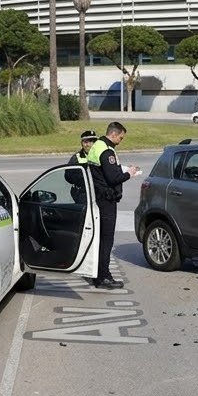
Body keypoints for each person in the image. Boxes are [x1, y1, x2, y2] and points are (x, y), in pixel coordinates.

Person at [85, 122, 139, 289]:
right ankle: (104, 277)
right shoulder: (107, 151)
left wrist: (120, 169)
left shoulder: (97, 146)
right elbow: (113, 178)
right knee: (106, 239)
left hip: (98, 197)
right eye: (121, 137)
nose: (121, 141)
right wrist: (129, 173)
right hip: (106, 200)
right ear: (114, 134)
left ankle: (97, 274)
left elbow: (104, 170)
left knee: (100, 238)